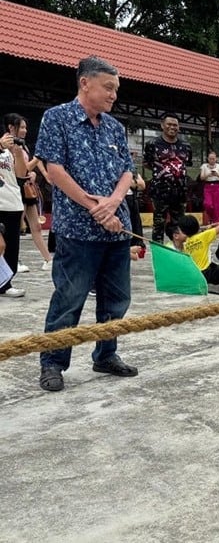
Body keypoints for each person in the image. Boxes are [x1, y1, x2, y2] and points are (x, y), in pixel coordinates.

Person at [35, 56, 138, 391]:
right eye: (108, 88)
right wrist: (94, 206)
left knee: (117, 299)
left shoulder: (114, 128)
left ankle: (105, 354)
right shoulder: (57, 119)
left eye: (116, 89)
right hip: (77, 230)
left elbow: (127, 172)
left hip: (116, 229)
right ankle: (52, 363)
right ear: (85, 83)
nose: (113, 96)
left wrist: (113, 202)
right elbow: (54, 171)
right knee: (70, 297)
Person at [4, 113, 53, 270]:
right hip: (15, 189)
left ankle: (47, 259)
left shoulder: (21, 145)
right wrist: (38, 158)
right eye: (22, 127)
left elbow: (26, 167)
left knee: (36, 226)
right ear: (11, 127)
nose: (25, 130)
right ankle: (13, 260)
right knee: (16, 227)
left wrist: (39, 173)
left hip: (27, 188)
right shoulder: (7, 145)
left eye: (25, 127)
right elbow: (22, 168)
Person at [144, 113, 192, 242]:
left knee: (180, 225)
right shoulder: (152, 144)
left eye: (175, 125)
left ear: (178, 127)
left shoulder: (186, 146)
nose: (172, 127)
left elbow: (186, 164)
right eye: (169, 124)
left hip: (180, 192)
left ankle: (179, 253)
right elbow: (147, 163)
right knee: (159, 224)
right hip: (160, 191)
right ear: (162, 125)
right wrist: (164, 171)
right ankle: (158, 254)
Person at [0, 128, 28, 298]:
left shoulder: (8, 153)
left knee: (11, 248)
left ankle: (5, 284)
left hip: (13, 203)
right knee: (1, 245)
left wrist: (17, 153)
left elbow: (20, 174)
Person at [199, 150, 219, 224]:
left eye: (213, 158)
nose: (212, 160)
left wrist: (217, 174)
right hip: (208, 186)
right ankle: (211, 217)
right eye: (210, 158)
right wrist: (208, 174)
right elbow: (201, 178)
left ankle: (216, 222)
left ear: (216, 159)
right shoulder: (204, 166)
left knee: (218, 206)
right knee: (208, 204)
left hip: (218, 186)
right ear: (208, 159)